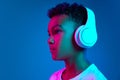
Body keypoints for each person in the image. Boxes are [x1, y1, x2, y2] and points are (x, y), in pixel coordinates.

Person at [47, 2, 107, 80]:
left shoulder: (95, 78)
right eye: (49, 34)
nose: (49, 40)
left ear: (82, 36)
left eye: (57, 31)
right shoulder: (54, 77)